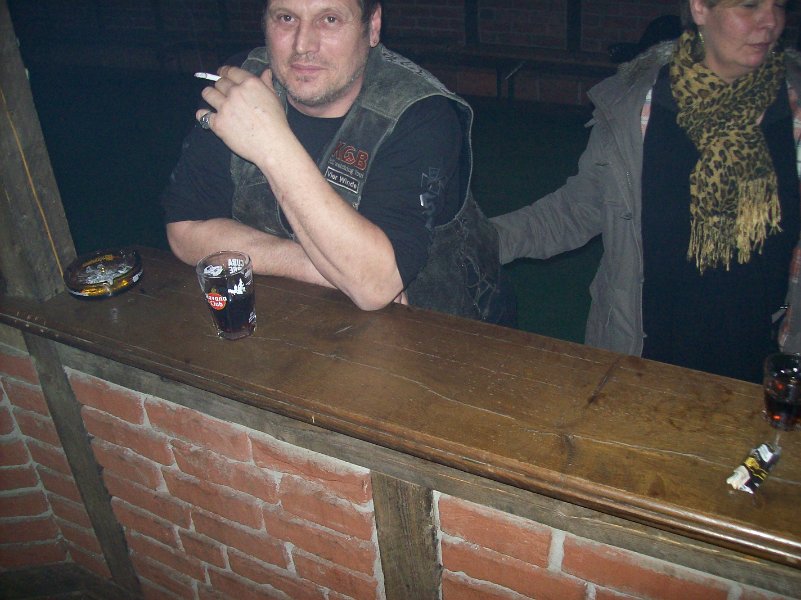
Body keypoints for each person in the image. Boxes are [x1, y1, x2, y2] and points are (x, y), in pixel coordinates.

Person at [491, 0, 801, 382]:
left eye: (779, 5)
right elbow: (577, 209)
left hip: (763, 367)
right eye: (750, 5)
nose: (770, 21)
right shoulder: (638, 107)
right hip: (642, 356)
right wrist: (478, 240)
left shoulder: (794, 113)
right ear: (700, 8)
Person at [162, 0, 514, 325]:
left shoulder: (421, 114)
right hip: (298, 321)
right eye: (286, 18)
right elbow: (185, 231)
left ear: (372, 27)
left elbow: (375, 285)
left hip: (444, 334)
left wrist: (271, 143)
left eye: (329, 19)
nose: (303, 45)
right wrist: (321, 268)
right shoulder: (243, 87)